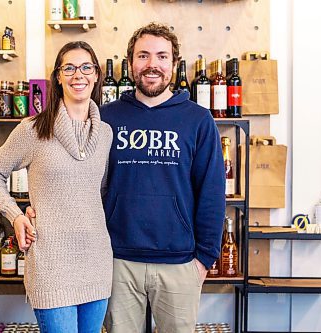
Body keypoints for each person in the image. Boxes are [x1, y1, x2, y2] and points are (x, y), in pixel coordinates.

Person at [100, 23, 226, 332]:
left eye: (161, 56)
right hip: (117, 261)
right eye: (143, 55)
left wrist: (204, 259)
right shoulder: (105, 117)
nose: (152, 64)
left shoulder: (198, 119)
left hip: (180, 264)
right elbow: (84, 184)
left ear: (174, 64)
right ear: (131, 63)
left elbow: (212, 191)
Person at [0, 41, 113, 333]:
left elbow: (98, 193)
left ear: (96, 76)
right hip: (51, 262)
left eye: (86, 67)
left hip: (97, 261)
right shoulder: (33, 129)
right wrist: (15, 216)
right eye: (69, 67)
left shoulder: (105, 134)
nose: (78, 75)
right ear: (58, 77)